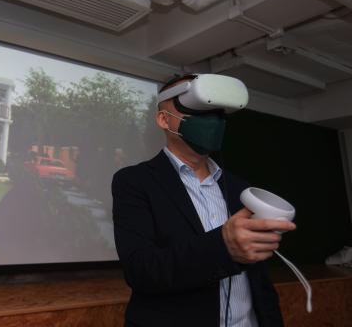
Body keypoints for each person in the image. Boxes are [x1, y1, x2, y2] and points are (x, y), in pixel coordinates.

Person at [112, 74, 296, 327]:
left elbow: (260, 280)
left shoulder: (240, 188)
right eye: (198, 109)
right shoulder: (135, 182)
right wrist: (223, 246)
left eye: (217, 112)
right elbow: (141, 271)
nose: (211, 120)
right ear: (164, 119)